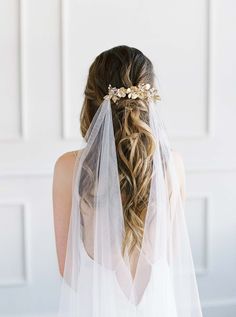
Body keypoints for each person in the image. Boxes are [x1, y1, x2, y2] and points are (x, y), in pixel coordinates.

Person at [52, 45, 203, 316]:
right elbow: (171, 252)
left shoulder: (69, 168)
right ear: (149, 101)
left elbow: (68, 270)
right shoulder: (173, 165)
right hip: (157, 302)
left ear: (91, 102)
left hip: (97, 303)